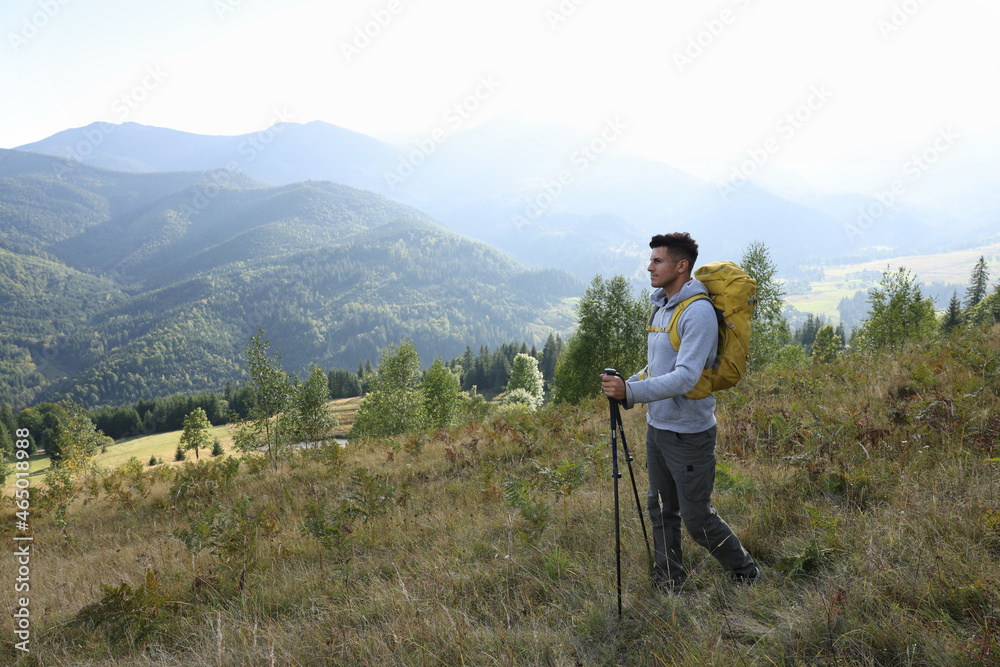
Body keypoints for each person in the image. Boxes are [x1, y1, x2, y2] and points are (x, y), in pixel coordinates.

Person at [601, 232, 758, 590]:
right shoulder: (662, 307)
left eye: (658, 260)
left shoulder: (698, 313)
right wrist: (627, 384)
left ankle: (745, 571)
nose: (650, 266)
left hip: (690, 435)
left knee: (697, 518)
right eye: (651, 260)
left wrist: (633, 392)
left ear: (681, 266)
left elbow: (686, 377)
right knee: (660, 509)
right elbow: (657, 368)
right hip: (659, 428)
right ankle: (668, 580)